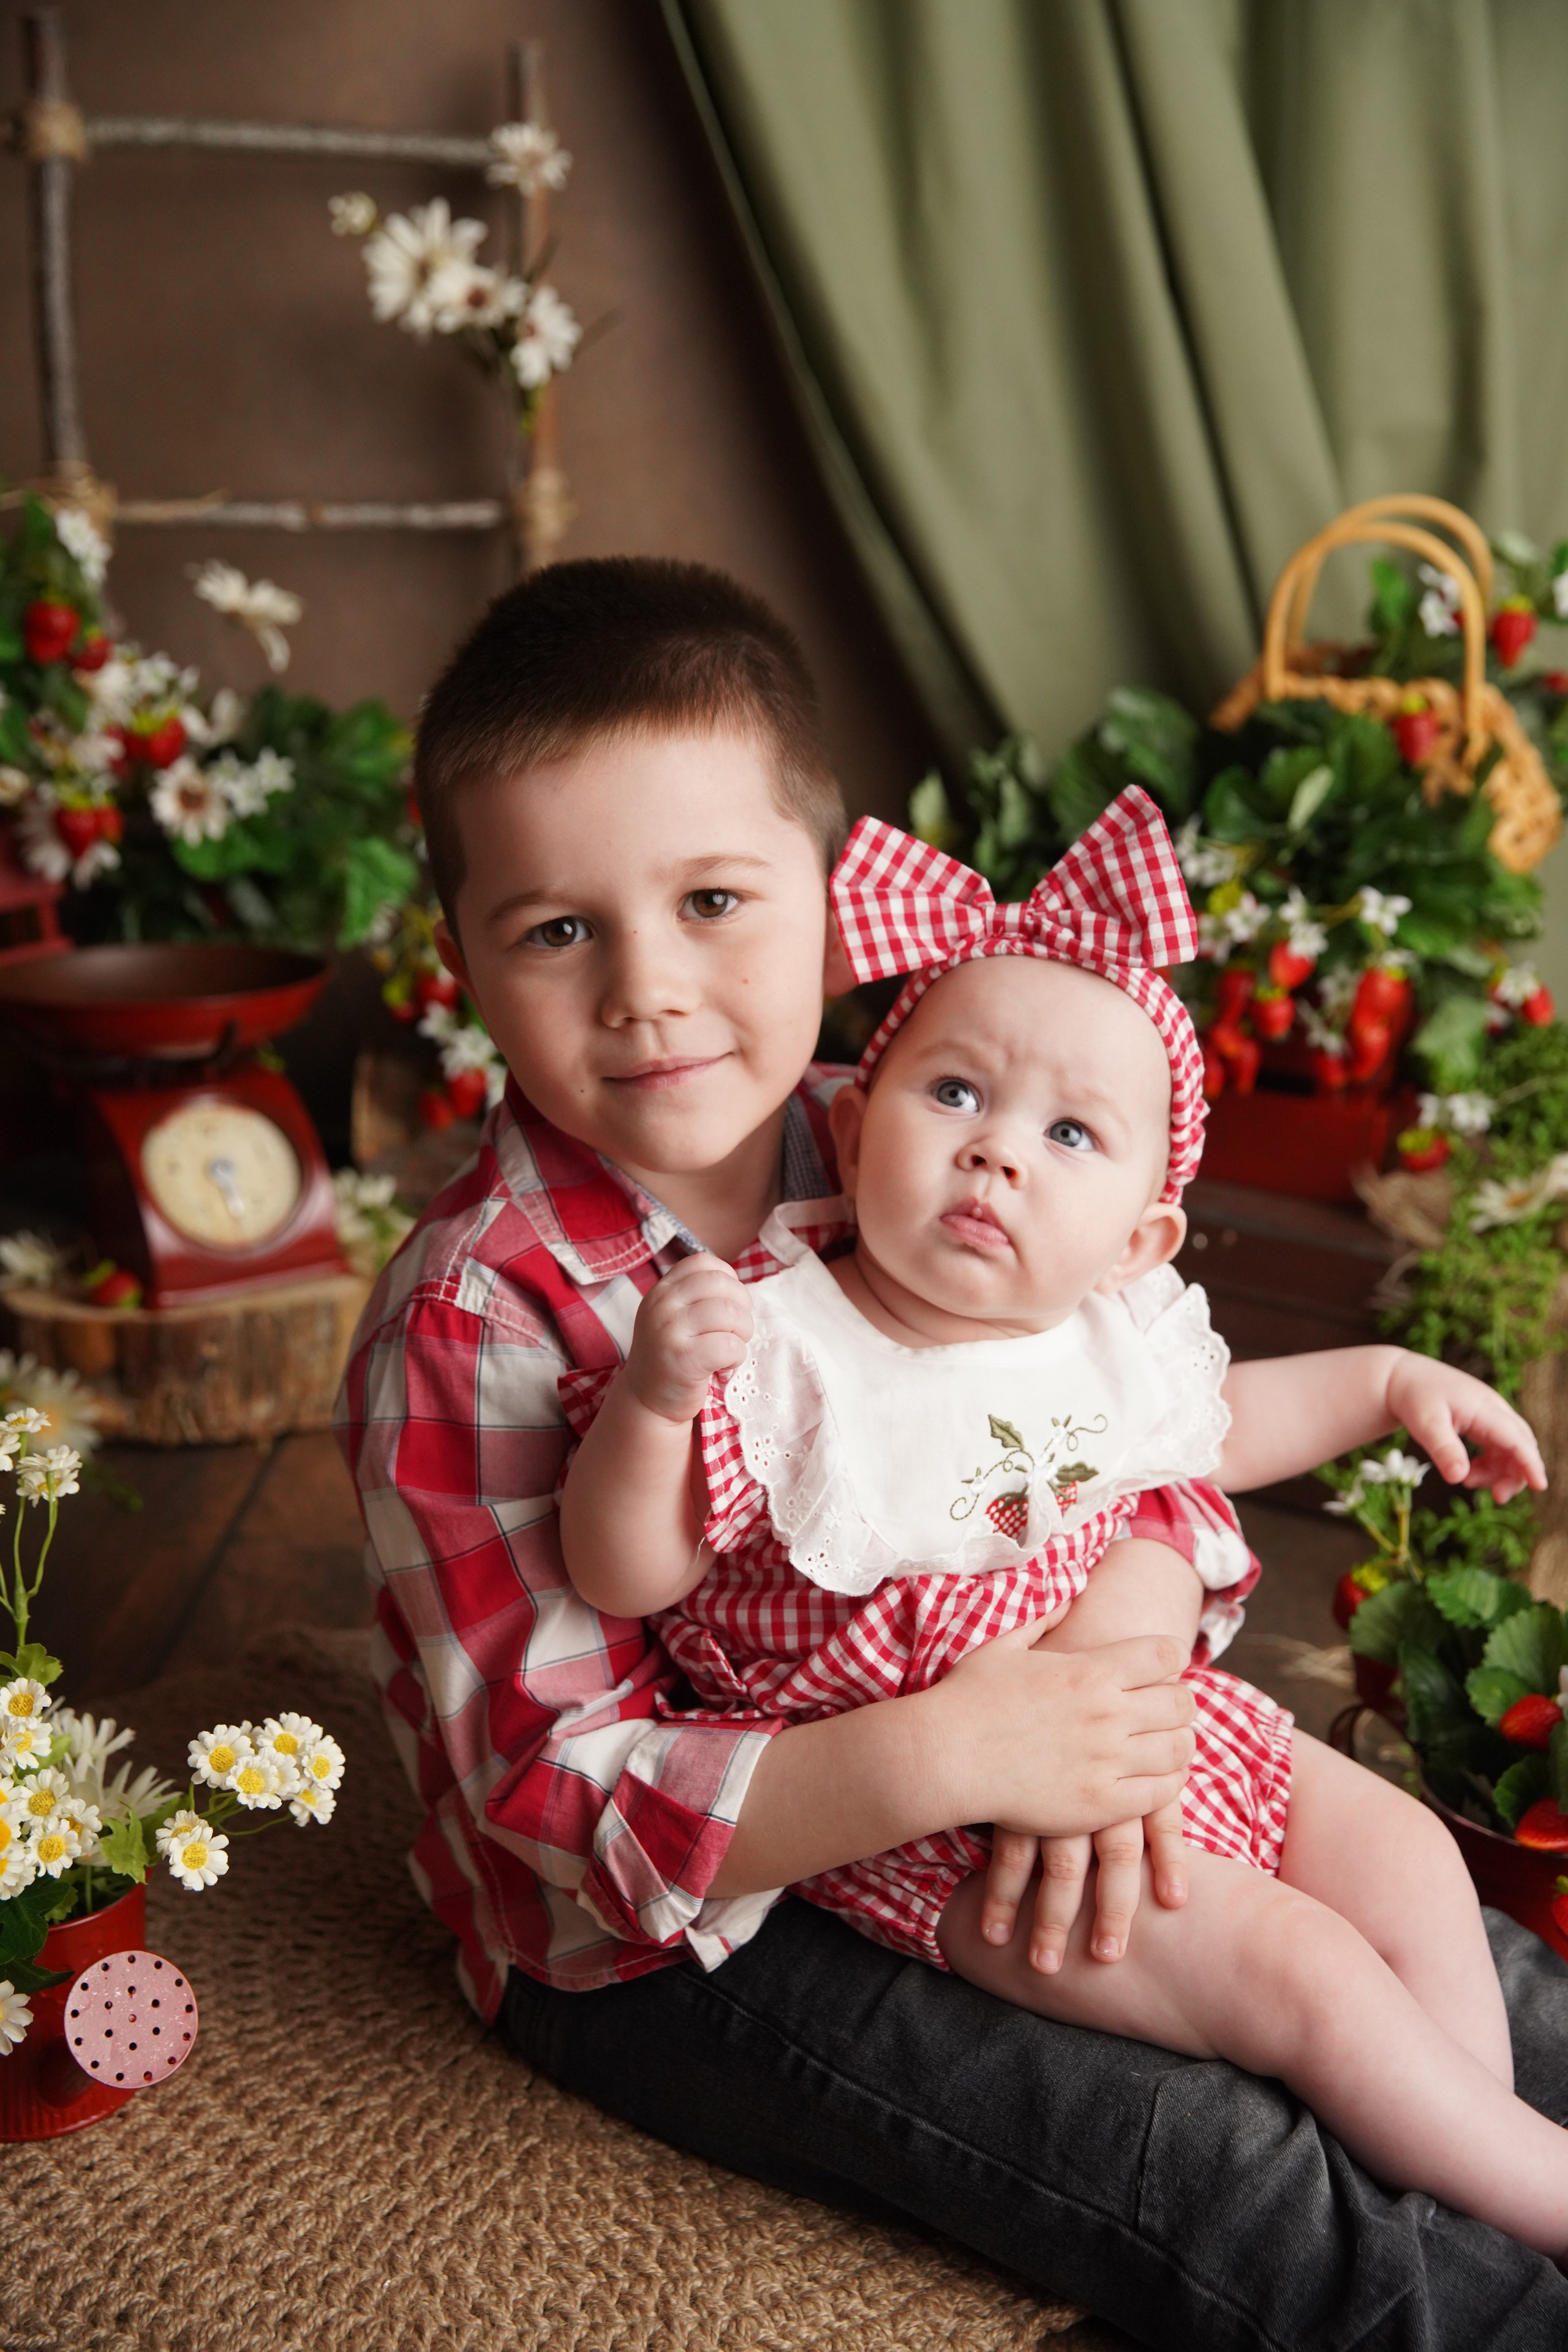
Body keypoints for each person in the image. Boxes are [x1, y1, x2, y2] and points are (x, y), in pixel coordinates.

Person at [337, 557, 1568, 2345]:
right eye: (557, 930)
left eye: (712, 901)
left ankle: (1491, 2151)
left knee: (1443, 1938)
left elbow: (1130, 1440)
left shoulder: (929, 1125)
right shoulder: (474, 1319)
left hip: (1031, 1735)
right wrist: (963, 1753)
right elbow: (553, 1797)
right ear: (460, 961)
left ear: (838, 910)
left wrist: (1107, 1662)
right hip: (681, 1931)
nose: (650, 993)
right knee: (1216, 2158)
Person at [557, 790, 1562, 2252]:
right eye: (952, 1095)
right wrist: (650, 1405)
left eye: (1070, 1133)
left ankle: (1470, 2151)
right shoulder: (776, 1344)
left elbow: (1222, 1429)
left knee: (1406, 1854)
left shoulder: (1103, 1337)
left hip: (1164, 1732)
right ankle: (1524, 2192)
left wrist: (1388, 1379)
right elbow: (625, 1572)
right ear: (847, 1129)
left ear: (1140, 1237)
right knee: (1294, 1975)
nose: (997, 1153)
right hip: (952, 1834)